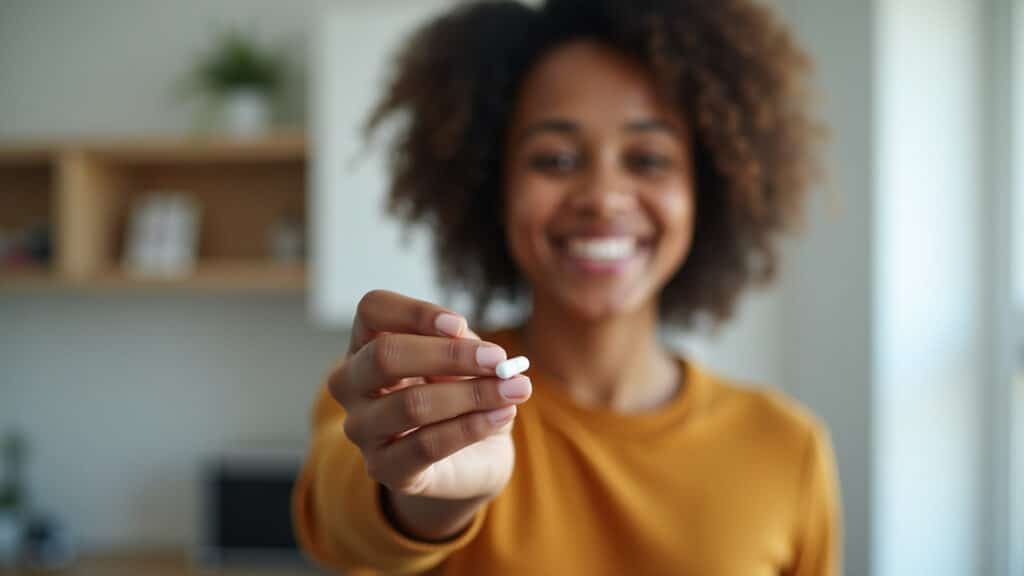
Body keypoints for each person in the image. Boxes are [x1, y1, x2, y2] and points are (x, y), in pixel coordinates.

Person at [292, 0, 840, 574]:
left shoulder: (787, 447)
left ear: (709, 191)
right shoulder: (412, 394)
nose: (602, 197)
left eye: (648, 159)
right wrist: (427, 498)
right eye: (554, 160)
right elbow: (342, 526)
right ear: (493, 186)